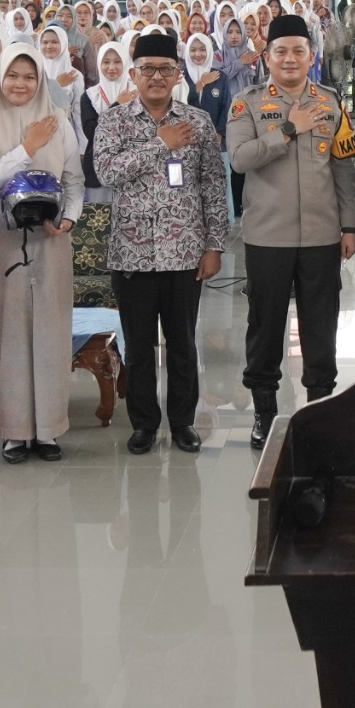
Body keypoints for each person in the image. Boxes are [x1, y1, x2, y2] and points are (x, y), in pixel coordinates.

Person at [226, 14, 355, 445]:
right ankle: (264, 412)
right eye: (281, 51)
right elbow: (239, 159)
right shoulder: (246, 103)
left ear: (311, 56)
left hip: (322, 235)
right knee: (265, 327)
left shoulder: (330, 101)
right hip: (268, 237)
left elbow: (344, 166)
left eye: (298, 51)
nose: (289, 58)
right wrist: (287, 130)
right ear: (267, 57)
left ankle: (320, 408)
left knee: (321, 326)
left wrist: (350, 224)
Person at [93, 31, 232, 454]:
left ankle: (183, 422)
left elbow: (214, 187)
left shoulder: (198, 122)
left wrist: (214, 245)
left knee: (183, 346)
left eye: (165, 69)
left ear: (177, 75)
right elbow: (106, 172)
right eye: (148, 69)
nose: (156, 77)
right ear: (133, 75)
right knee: (138, 348)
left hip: (184, 252)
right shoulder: (114, 121)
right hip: (132, 254)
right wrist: (159, 144)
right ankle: (144, 425)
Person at [0, 50, 88, 462]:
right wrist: (26, 147)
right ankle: (14, 431)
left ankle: (48, 429)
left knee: (51, 327)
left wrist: (69, 218)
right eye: (12, 75)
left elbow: (74, 181)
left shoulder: (59, 122)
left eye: (29, 77)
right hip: (0, 231)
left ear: (40, 81)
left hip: (50, 235)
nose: (20, 84)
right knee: (7, 328)